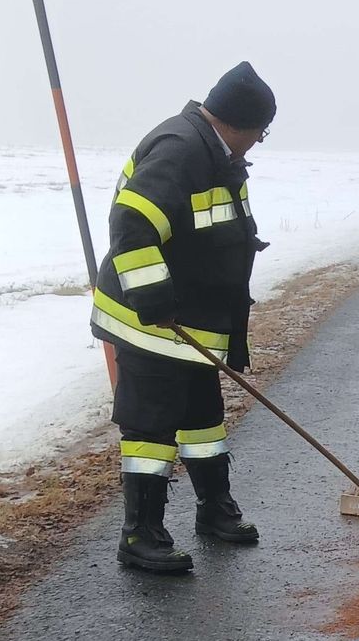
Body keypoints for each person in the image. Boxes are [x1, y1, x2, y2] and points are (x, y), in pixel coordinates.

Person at [91, 62, 276, 573]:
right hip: (150, 323)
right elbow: (131, 223)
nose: (258, 143)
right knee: (151, 427)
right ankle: (140, 535)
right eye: (260, 132)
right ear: (238, 123)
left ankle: (214, 510)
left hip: (191, 322)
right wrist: (154, 298)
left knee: (202, 419)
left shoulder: (218, 155)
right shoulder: (181, 149)